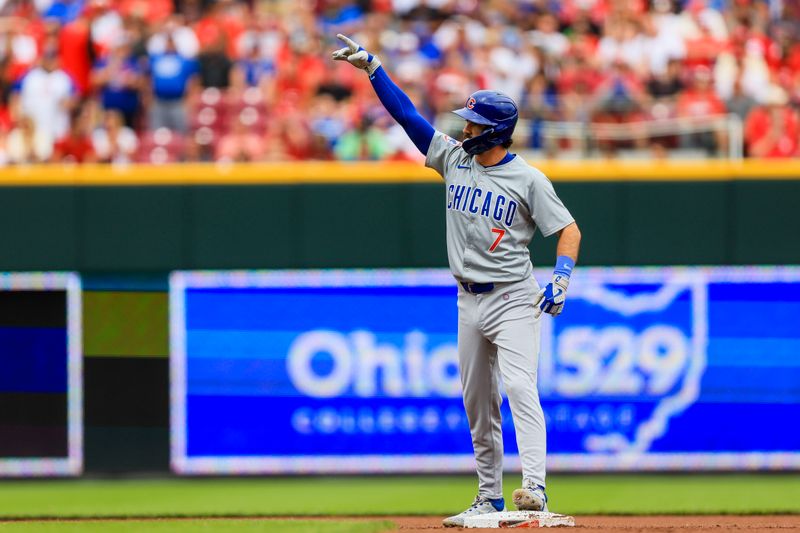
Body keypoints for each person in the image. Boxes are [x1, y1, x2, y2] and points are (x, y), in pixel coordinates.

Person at [332, 34, 582, 527]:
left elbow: (568, 230)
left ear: (496, 133)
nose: (466, 128)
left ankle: (534, 486)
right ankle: (489, 498)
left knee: (518, 386)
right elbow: (408, 118)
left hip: (513, 297)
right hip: (468, 299)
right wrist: (374, 68)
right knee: (477, 402)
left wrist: (562, 278)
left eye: (475, 124)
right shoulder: (453, 158)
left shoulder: (529, 179)